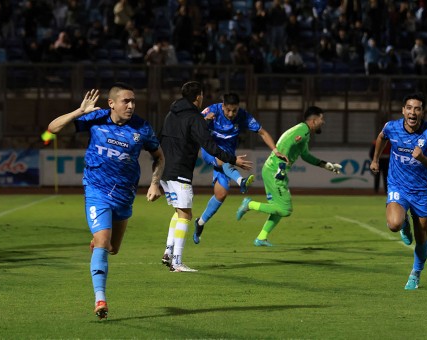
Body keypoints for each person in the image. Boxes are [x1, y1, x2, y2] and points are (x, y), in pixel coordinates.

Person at [47, 83, 165, 320]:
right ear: (111, 103)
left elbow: (159, 157)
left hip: (124, 195)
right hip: (96, 190)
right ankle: (100, 298)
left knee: (113, 248)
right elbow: (53, 128)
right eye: (126, 101)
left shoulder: (141, 128)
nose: (131, 106)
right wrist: (79, 111)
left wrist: (155, 182)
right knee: (103, 242)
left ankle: (98, 242)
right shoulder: (96, 118)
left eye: (133, 102)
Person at [159, 81, 252, 272]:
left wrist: (205, 122)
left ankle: (168, 252)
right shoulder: (194, 117)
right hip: (181, 171)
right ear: (198, 97)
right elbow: (210, 146)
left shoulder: (171, 114)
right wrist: (233, 159)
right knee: (186, 214)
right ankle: (177, 262)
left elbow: (163, 136)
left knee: (178, 212)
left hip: (167, 170)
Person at [236, 106, 342, 247]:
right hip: (275, 172)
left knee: (278, 207)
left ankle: (261, 238)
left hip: (271, 170)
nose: (324, 122)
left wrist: (326, 165)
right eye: (322, 119)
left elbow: (305, 156)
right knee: (285, 210)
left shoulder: (304, 132)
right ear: (314, 120)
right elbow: (286, 145)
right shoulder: (301, 131)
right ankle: (249, 205)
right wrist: (281, 169)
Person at [370, 92, 427, 290]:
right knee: (394, 224)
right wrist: (375, 159)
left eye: (417, 108)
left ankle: (416, 273)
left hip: (422, 190)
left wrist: (423, 159)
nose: (412, 112)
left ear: (422, 112)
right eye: (409, 108)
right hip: (398, 185)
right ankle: (404, 224)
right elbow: (381, 137)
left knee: (422, 237)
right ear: (403, 111)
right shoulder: (391, 127)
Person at [193, 93, 277, 244]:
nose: (231, 114)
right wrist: (204, 120)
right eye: (228, 110)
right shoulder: (212, 110)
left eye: (234, 110)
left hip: (227, 156)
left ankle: (200, 222)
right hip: (210, 150)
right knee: (221, 159)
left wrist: (275, 150)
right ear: (222, 105)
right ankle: (241, 181)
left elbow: (262, 132)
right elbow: (193, 124)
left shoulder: (243, 116)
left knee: (221, 194)